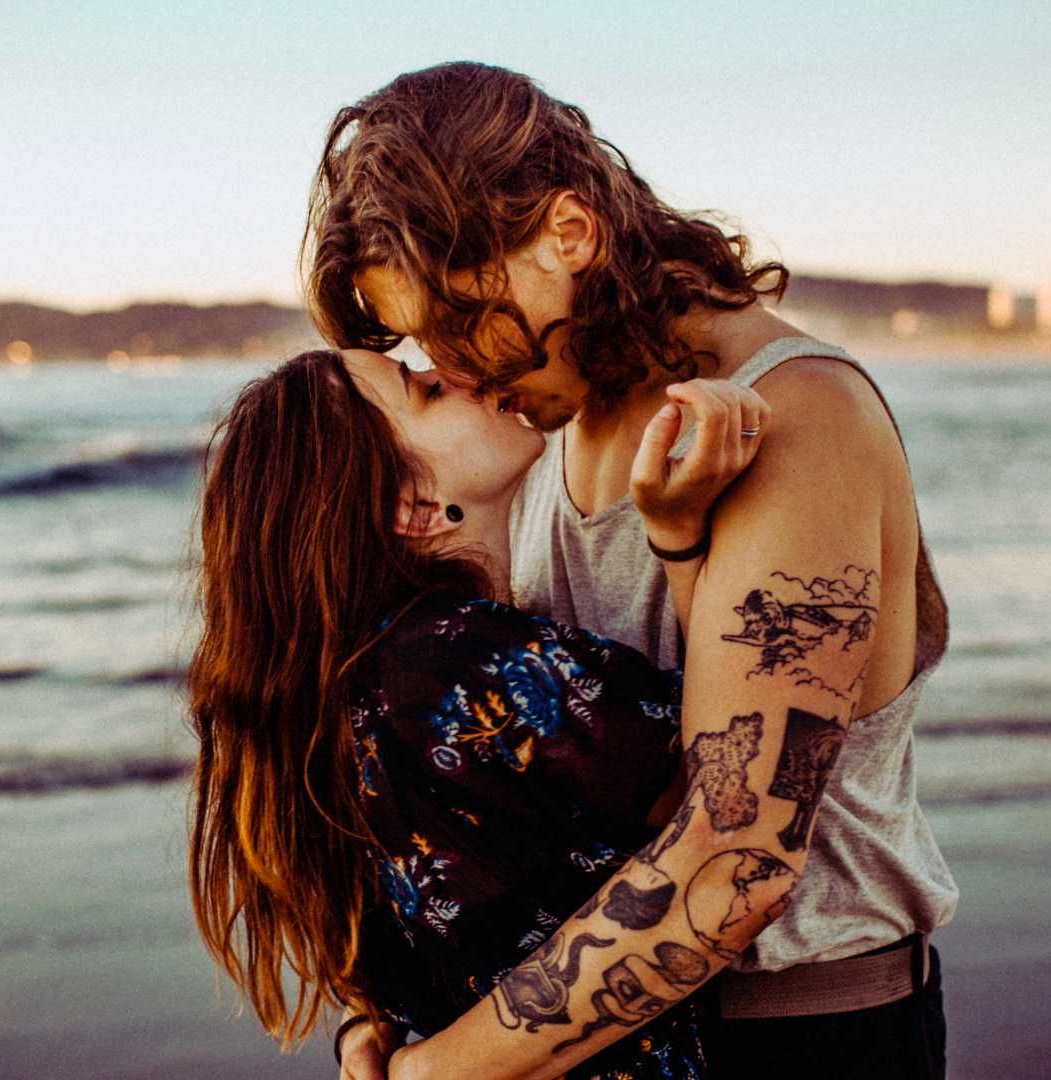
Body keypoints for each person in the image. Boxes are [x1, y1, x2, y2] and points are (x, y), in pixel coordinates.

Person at [302, 62, 958, 1079]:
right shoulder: (537, 427)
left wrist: (444, 1071)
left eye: (466, 318)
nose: (462, 372)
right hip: (594, 1044)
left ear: (570, 232)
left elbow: (735, 864)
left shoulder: (794, 419)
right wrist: (378, 1007)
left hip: (795, 1038)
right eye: (426, 346)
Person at [187, 348, 775, 1079]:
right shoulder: (460, 659)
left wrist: (367, 1032)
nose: (460, 371)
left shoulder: (352, 685)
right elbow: (731, 777)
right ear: (414, 508)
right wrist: (682, 537)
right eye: (426, 389)